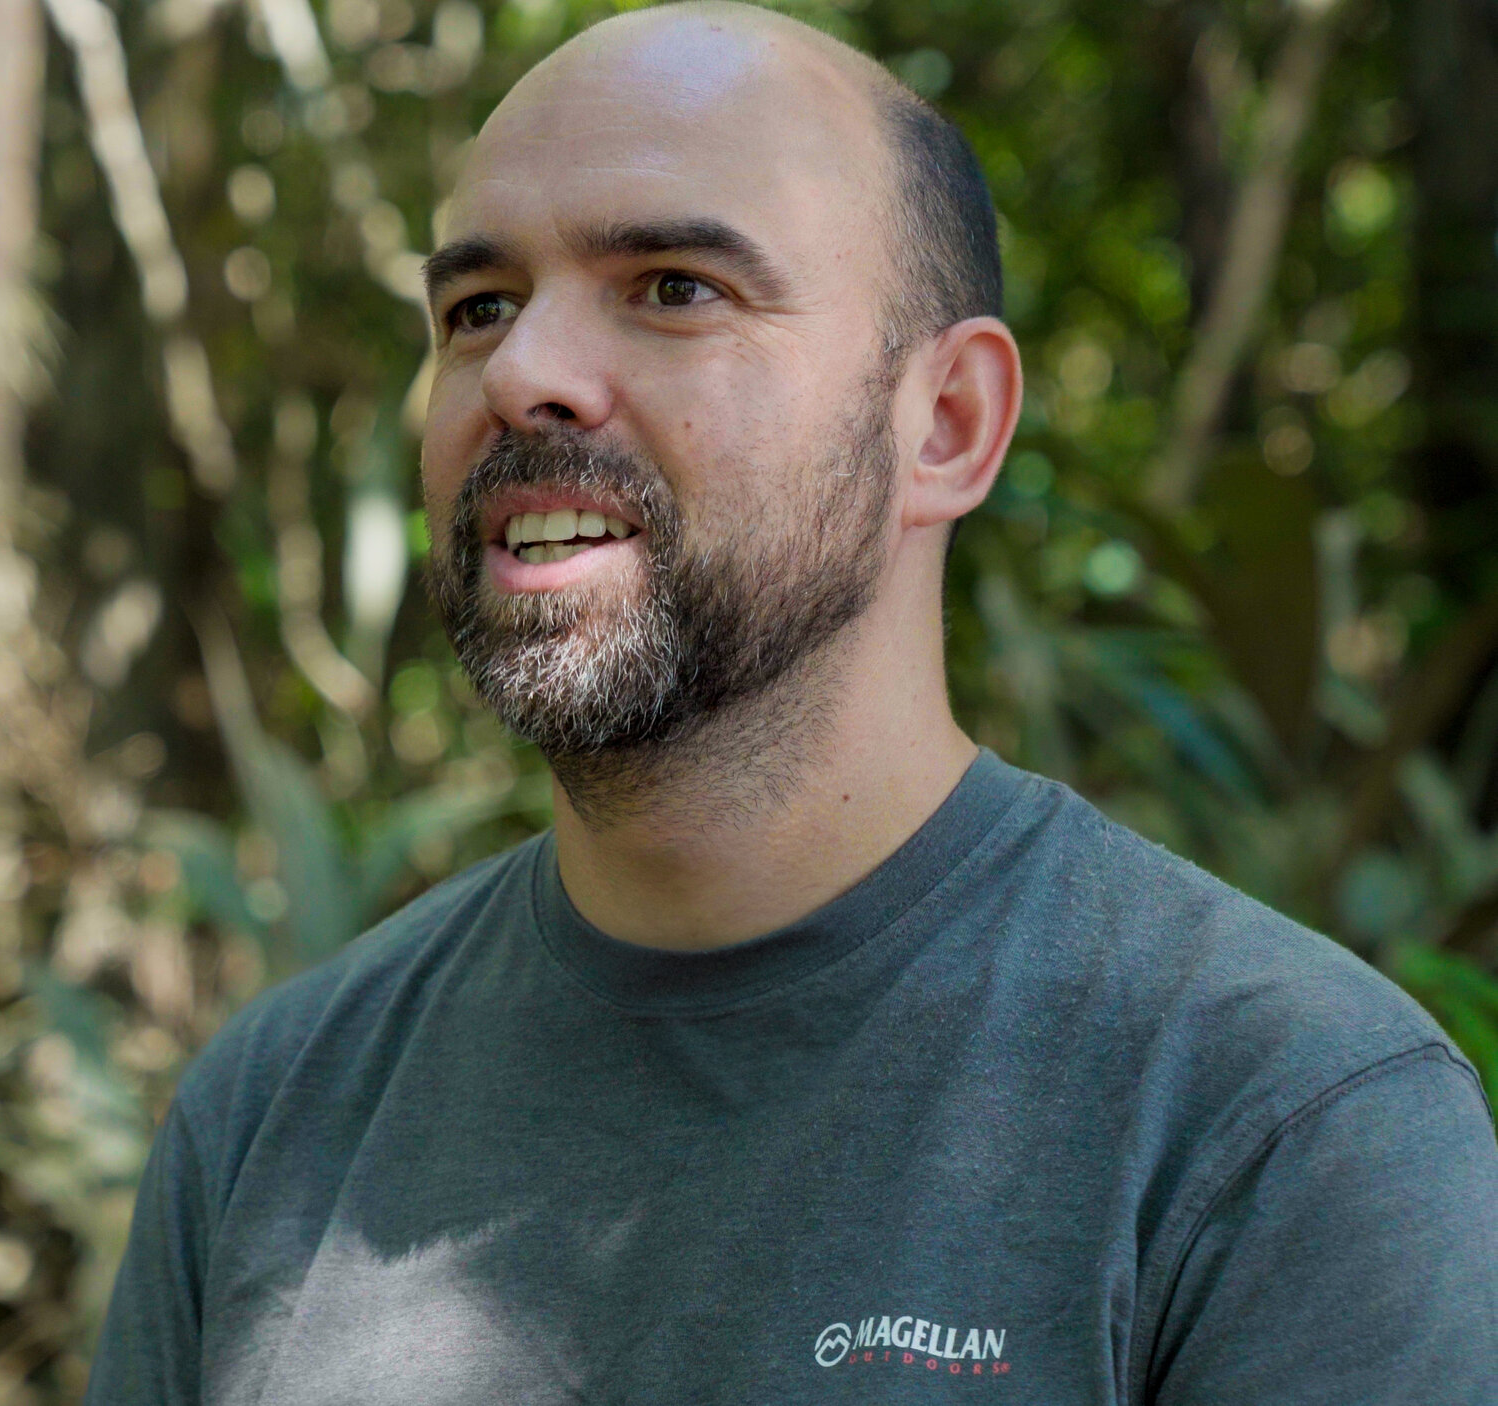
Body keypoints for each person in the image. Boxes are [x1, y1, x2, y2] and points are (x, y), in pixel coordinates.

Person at [83, 3, 1498, 1401]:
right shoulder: (271, 1117)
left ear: (943, 425)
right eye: (478, 309)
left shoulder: (1284, 1118)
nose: (521, 375)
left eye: (674, 286)